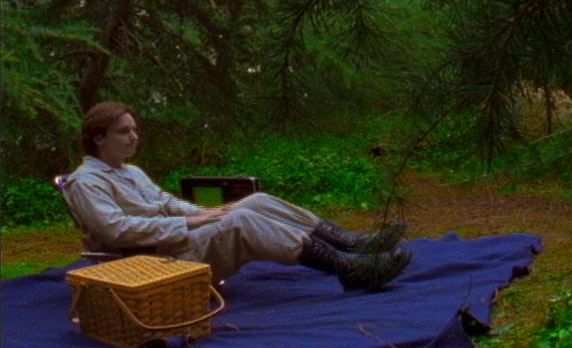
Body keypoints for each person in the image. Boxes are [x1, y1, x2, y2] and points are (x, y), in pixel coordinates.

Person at [62, 101, 411, 291]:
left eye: (134, 130)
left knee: (255, 201)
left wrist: (204, 214)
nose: (134, 137)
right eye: (124, 131)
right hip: (151, 260)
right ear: (98, 138)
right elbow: (116, 231)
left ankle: (351, 243)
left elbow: (167, 203)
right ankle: (346, 269)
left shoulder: (131, 171)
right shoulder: (86, 182)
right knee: (243, 220)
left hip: (176, 242)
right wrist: (189, 223)